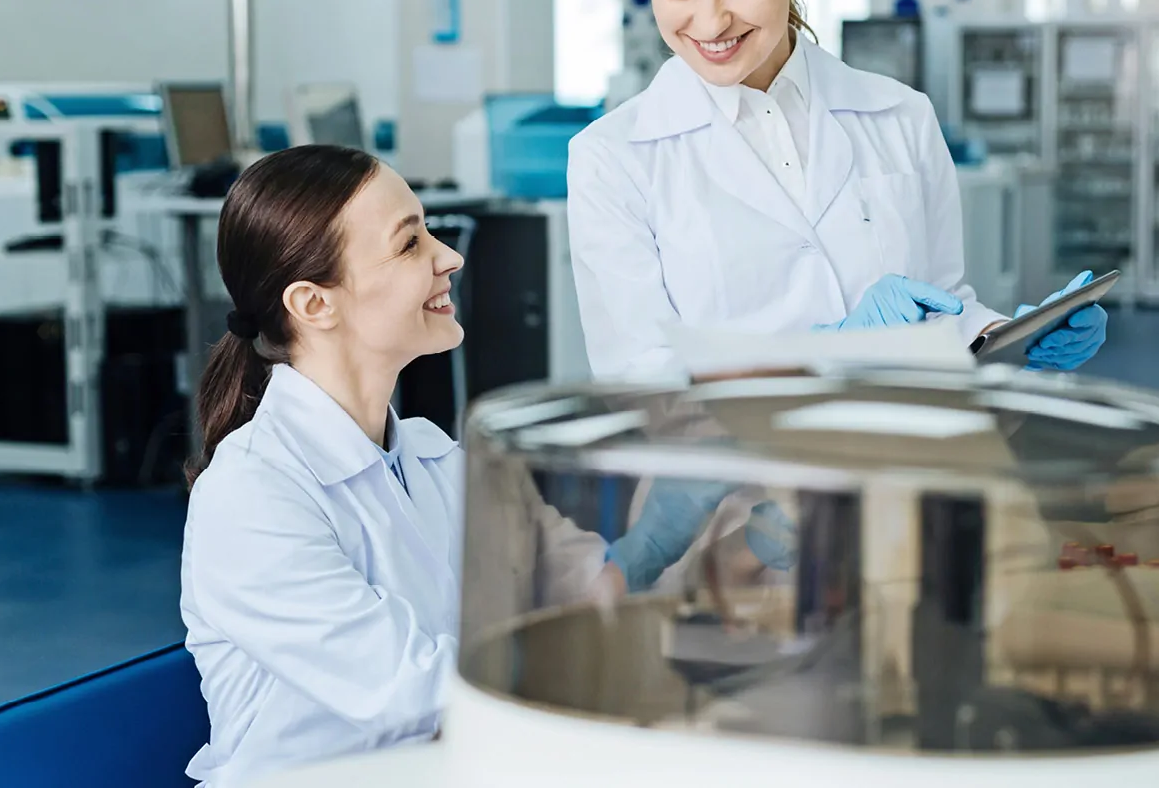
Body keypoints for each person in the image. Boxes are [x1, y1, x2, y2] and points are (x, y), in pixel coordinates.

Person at [178, 146, 771, 786]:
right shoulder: (251, 494)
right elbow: (418, 693)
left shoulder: (437, 460)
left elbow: (591, 591)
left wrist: (728, 545)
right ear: (315, 305)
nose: (449, 257)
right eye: (410, 245)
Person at [567, 0, 1108, 382]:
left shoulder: (901, 116)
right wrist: (823, 350)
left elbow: (944, 306)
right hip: (735, 481)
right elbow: (638, 377)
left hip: (899, 463)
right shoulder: (611, 159)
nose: (710, 23)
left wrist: (1007, 334)